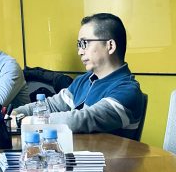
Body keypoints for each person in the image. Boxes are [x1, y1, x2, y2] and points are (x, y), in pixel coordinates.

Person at [11, 13, 144, 134]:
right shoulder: (84, 80)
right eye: (79, 45)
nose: (80, 52)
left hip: (108, 154)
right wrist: (15, 113)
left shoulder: (127, 90)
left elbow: (83, 119)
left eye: (84, 43)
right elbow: (51, 105)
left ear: (110, 46)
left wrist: (25, 121)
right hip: (79, 151)